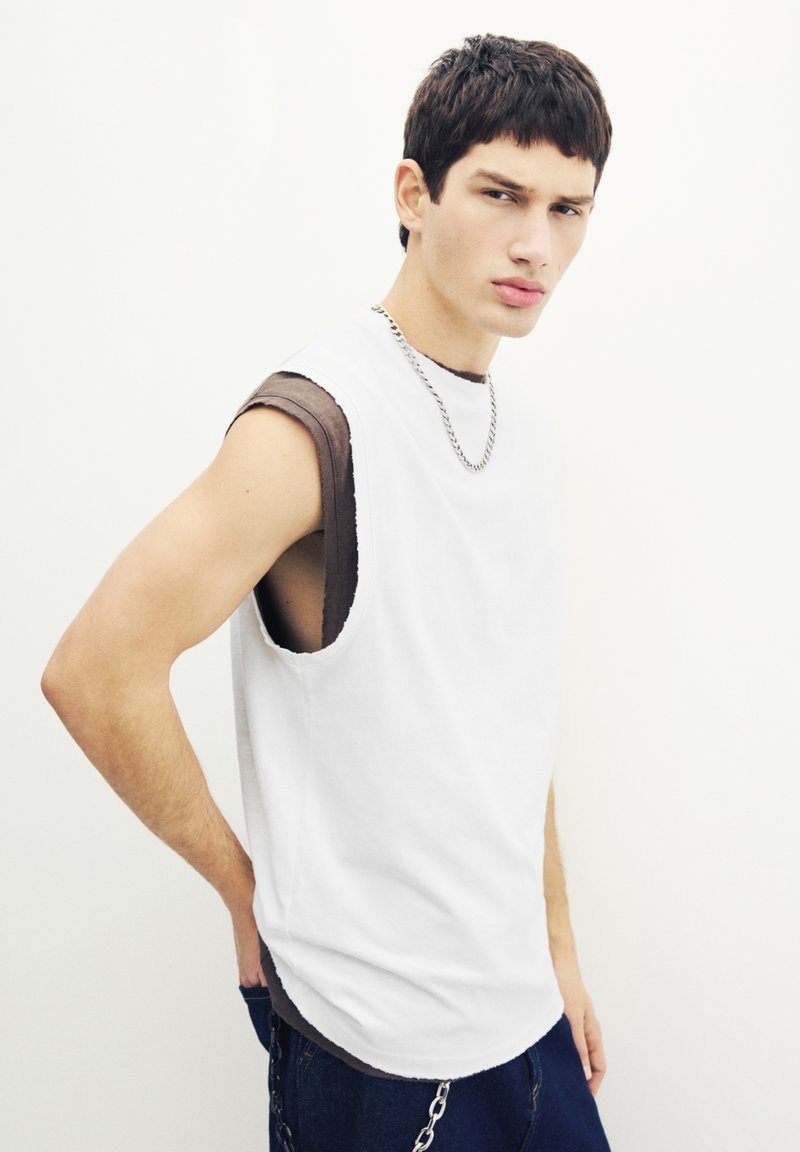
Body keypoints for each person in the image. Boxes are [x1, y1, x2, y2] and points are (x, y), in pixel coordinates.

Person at [42, 33, 613, 1152]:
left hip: (523, 1020)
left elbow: (509, 717)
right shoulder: (312, 427)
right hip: (376, 1046)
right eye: (500, 194)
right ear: (414, 193)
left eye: (567, 210)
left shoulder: (516, 430)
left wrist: (555, 947)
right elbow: (94, 672)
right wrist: (241, 890)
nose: (535, 243)